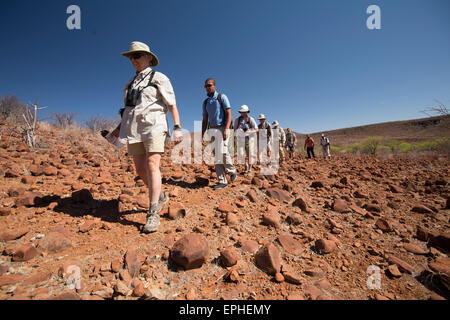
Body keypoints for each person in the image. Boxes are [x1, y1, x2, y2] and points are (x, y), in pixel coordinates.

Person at [111, 41, 183, 234]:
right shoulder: (130, 83)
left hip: (154, 125)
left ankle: (153, 212)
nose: (133, 60)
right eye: (131, 57)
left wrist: (177, 127)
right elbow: (129, 111)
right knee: (140, 170)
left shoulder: (159, 77)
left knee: (152, 164)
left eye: (137, 56)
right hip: (134, 130)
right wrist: (119, 128)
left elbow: (172, 104)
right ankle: (160, 196)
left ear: (148, 58)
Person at [201, 78, 237, 190]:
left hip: (223, 128)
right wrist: (202, 134)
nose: (208, 87)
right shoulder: (206, 102)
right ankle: (222, 181)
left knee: (223, 152)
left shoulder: (221, 97)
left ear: (214, 86)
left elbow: (229, 114)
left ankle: (232, 171)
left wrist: (226, 129)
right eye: (206, 86)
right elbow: (205, 119)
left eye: (210, 85)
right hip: (212, 130)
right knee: (217, 157)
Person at [234, 105, 258, 176]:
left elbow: (256, 129)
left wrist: (248, 132)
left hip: (249, 140)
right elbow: (234, 129)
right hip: (240, 140)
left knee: (250, 154)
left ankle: (250, 169)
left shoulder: (251, 119)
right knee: (241, 154)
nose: (243, 113)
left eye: (244, 112)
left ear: (247, 112)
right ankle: (246, 165)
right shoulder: (237, 120)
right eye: (242, 112)